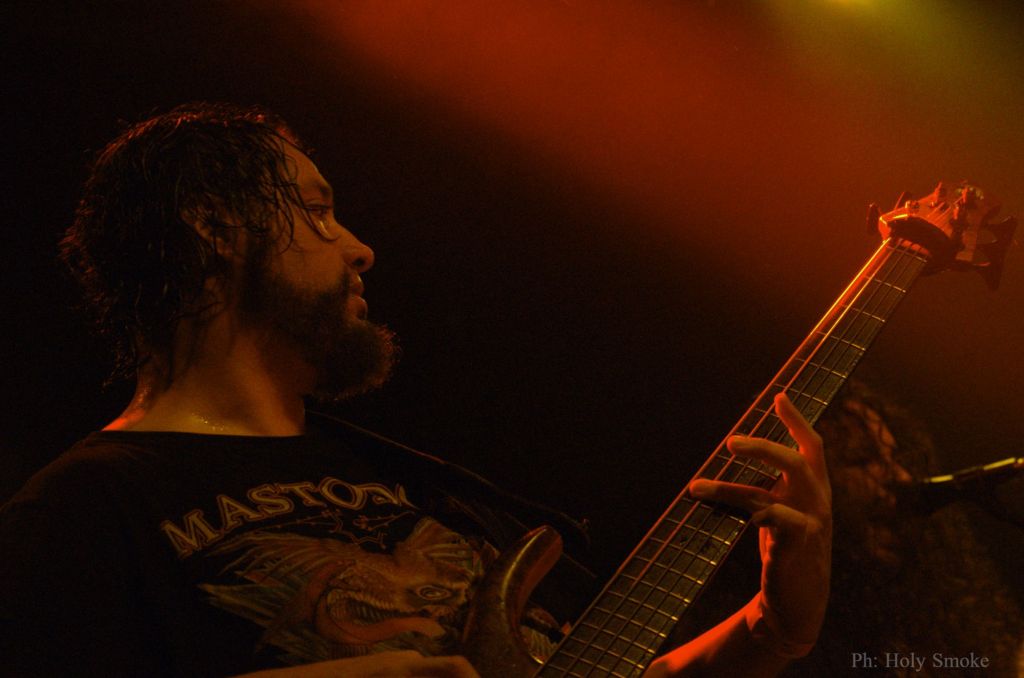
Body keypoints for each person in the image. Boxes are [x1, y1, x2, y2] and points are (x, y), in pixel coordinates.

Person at [0, 102, 831, 677]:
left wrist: (771, 628)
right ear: (214, 229)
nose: (359, 248)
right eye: (318, 212)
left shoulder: (429, 488)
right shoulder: (86, 506)